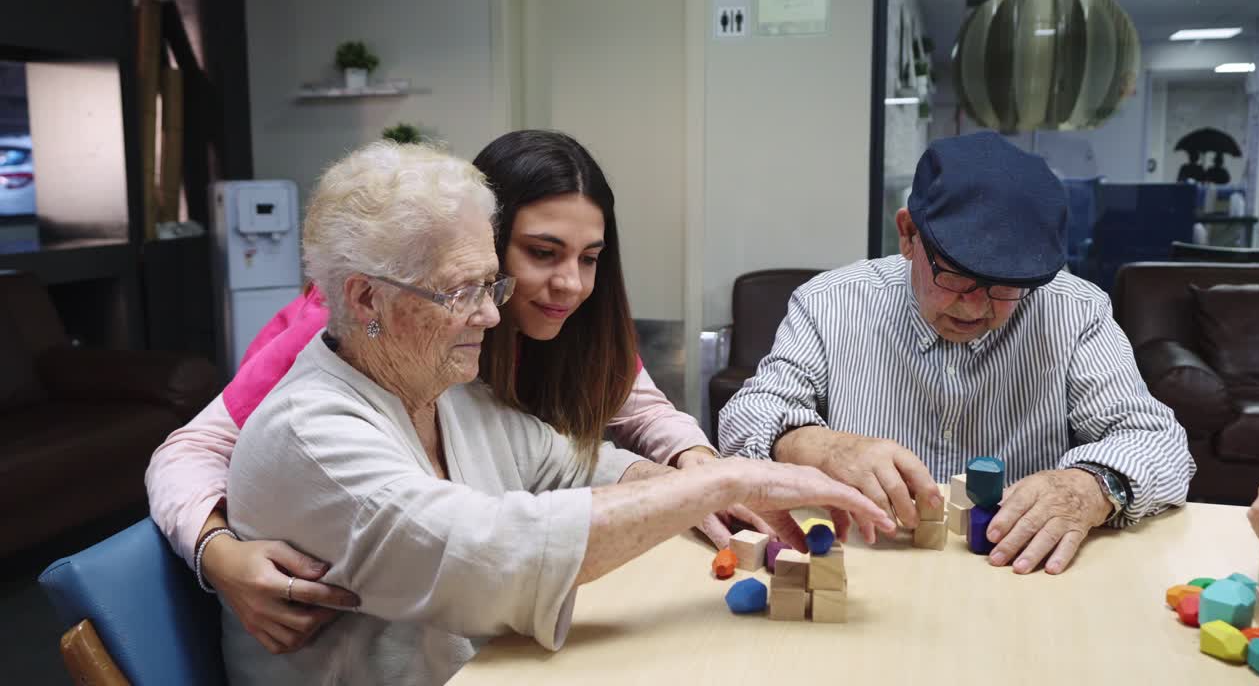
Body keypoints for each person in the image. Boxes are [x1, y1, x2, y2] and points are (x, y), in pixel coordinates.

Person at [217, 141, 892, 685]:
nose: (490, 312)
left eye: (491, 285)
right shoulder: (312, 434)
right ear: (366, 300)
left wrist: (677, 477)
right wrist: (725, 483)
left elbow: (580, 458)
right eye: (462, 293)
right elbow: (488, 556)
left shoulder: (445, 390)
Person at [145, 131, 772, 654]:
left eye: (591, 258)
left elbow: (623, 420)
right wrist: (217, 552)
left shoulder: (467, 363)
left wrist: (696, 466)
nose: (571, 284)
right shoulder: (351, 337)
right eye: (542, 253)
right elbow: (194, 449)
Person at [719, 131, 1195, 576]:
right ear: (908, 235)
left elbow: (1158, 442)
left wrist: (1092, 487)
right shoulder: (829, 302)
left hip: (1017, 575)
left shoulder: (1076, 312)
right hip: (873, 566)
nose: (977, 306)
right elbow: (746, 416)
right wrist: (815, 445)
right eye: (955, 277)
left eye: (1006, 286)